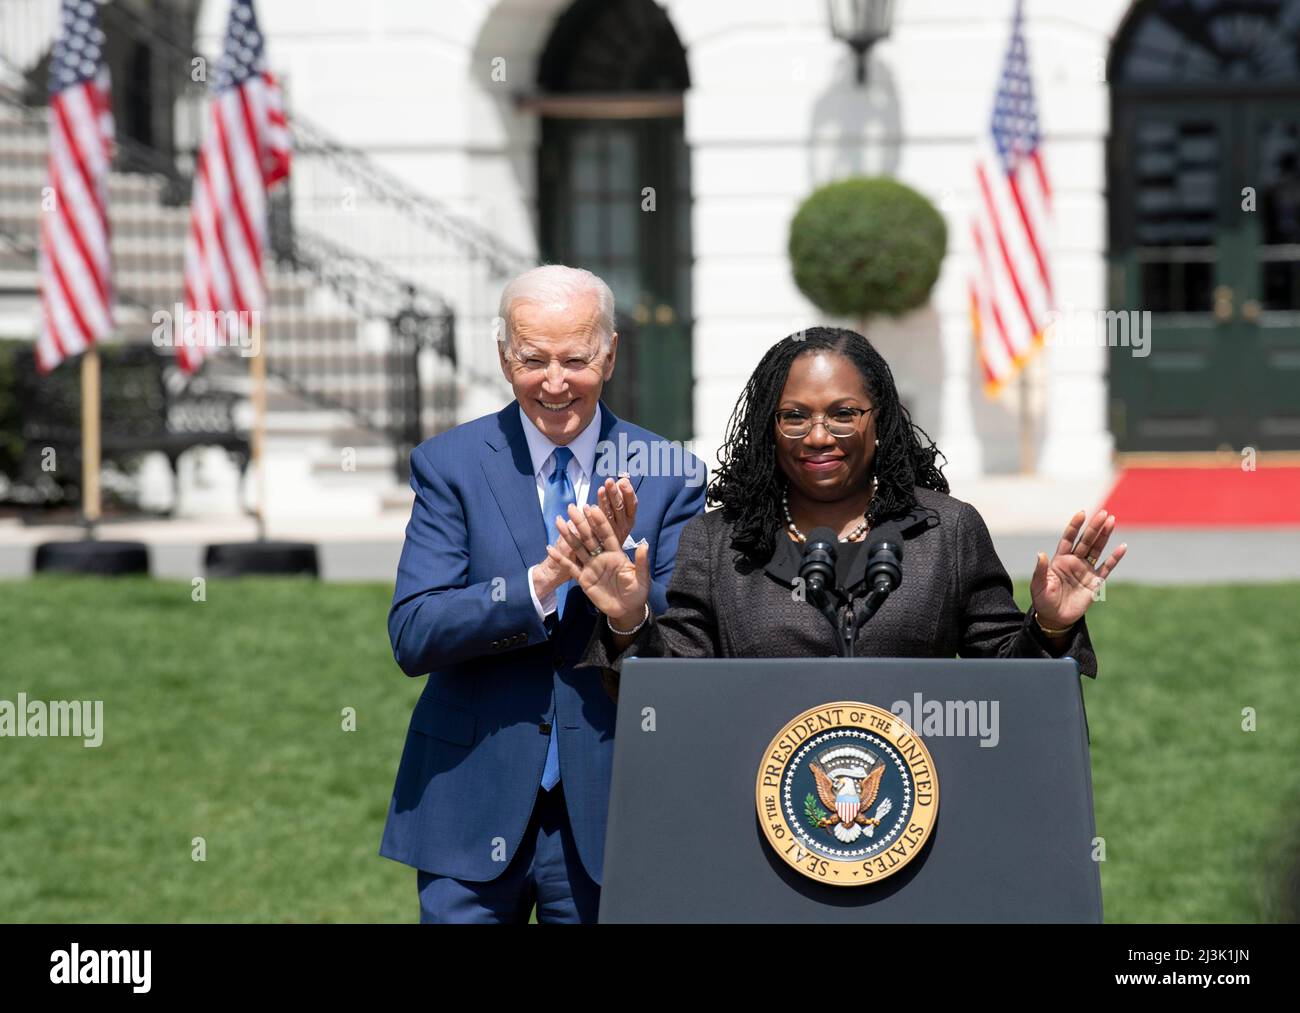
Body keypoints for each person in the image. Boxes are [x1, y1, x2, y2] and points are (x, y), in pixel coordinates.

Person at [379, 265, 706, 923]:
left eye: (576, 359)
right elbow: (415, 631)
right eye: (533, 359)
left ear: (609, 354)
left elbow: (690, 657)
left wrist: (629, 616)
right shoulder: (452, 465)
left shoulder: (671, 475)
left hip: (607, 808)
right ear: (504, 356)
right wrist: (539, 585)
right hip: (469, 798)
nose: (554, 382)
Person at [552, 327, 1126, 682]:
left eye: (843, 413)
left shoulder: (946, 531)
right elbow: (672, 695)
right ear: (768, 430)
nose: (818, 435)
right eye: (795, 415)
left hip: (921, 823)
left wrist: (1048, 627)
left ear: (881, 423)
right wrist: (629, 621)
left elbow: (1006, 685)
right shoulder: (718, 541)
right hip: (760, 825)